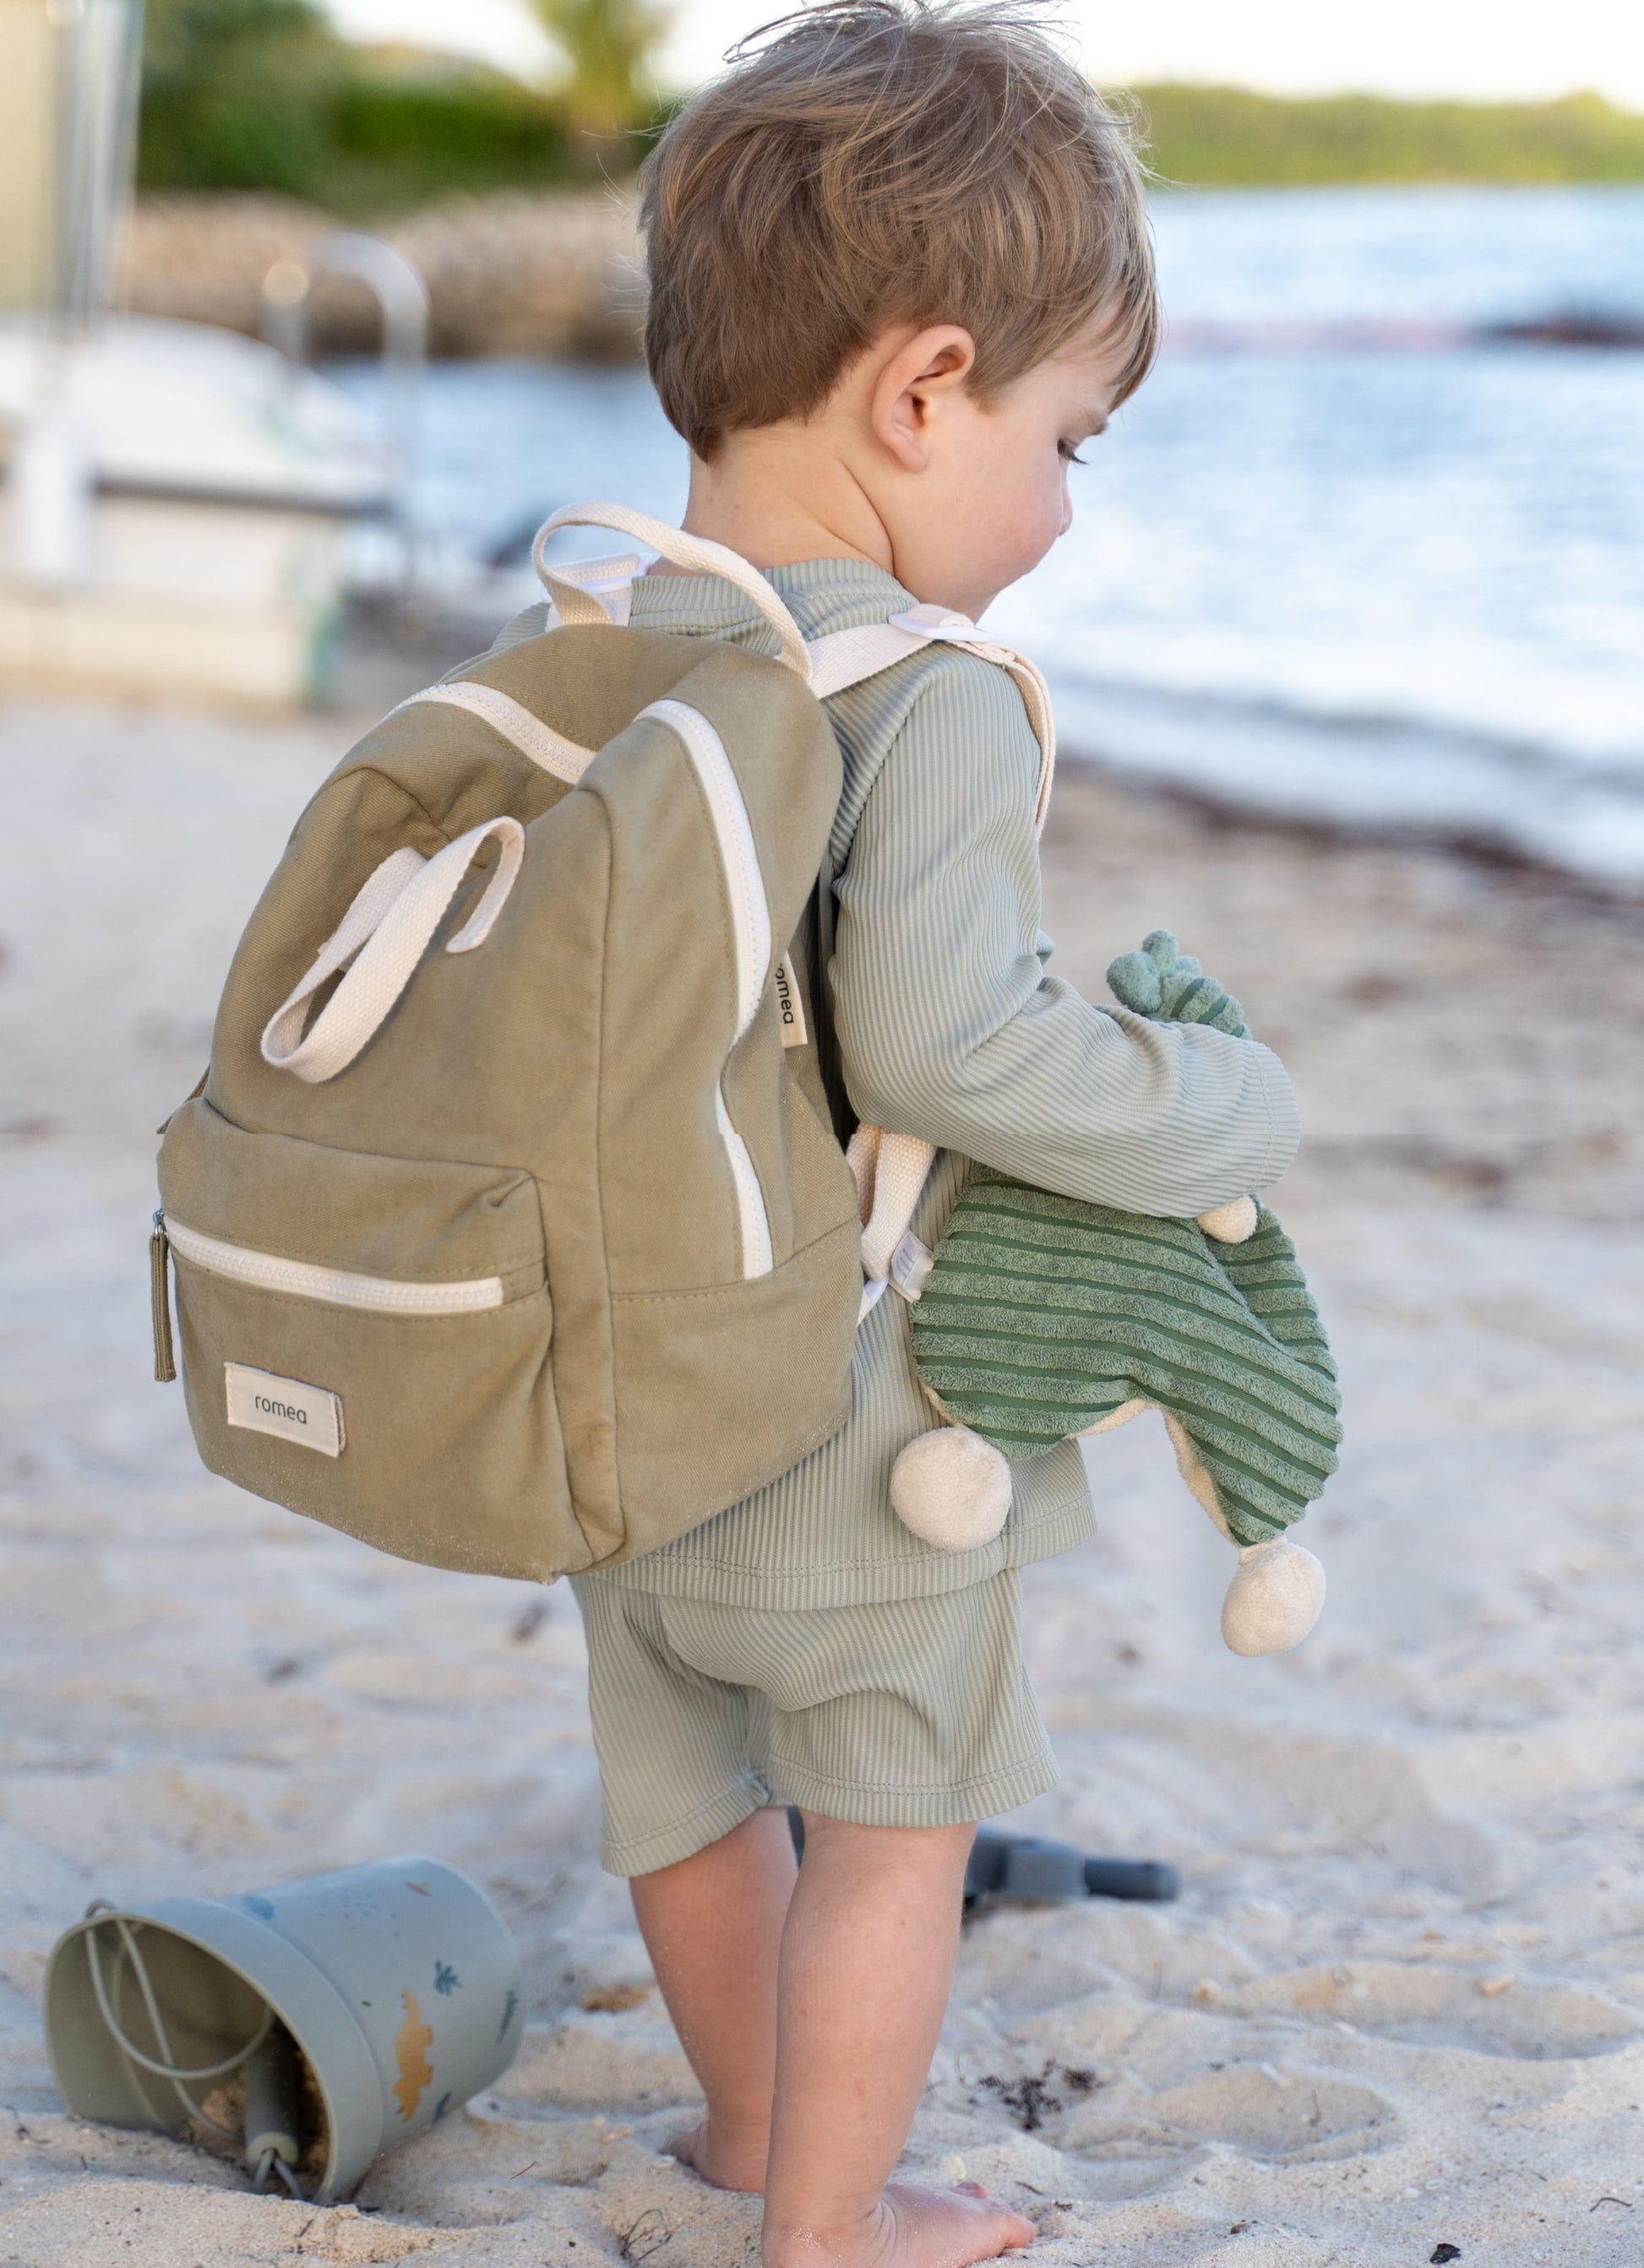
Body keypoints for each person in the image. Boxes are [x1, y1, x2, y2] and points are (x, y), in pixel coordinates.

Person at [559, 7, 1300, 2262]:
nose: (1063, 509)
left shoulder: (601, 626)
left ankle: (739, 2136)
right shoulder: (927, 693)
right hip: (845, 1402)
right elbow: (946, 1044)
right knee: (888, 1832)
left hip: (603, 1370)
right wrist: (1201, 1106)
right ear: (922, 387)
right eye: (1069, 439)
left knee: (687, 1795)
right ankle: (828, 2227)